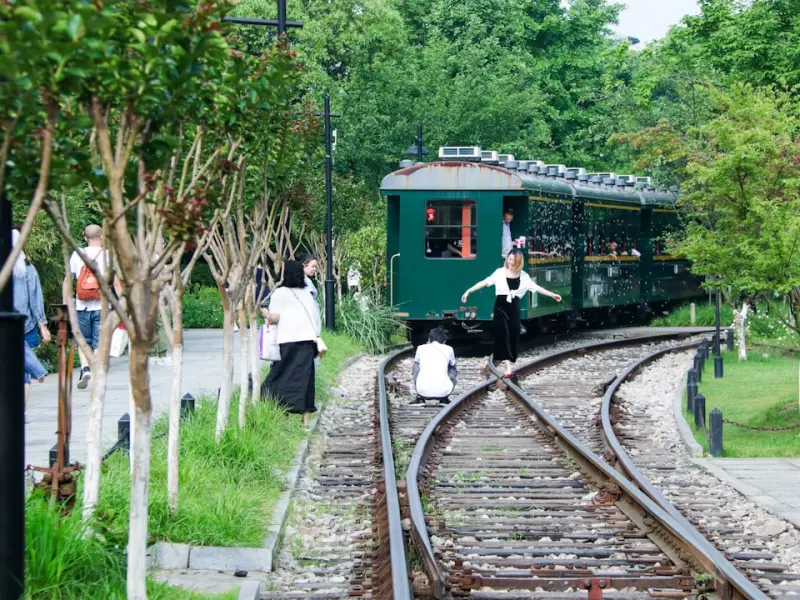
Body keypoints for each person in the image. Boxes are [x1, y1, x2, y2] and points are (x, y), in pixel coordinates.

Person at [461, 249, 562, 377]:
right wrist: (469, 291)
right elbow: (484, 282)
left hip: (514, 306)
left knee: (514, 331)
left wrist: (553, 295)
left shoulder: (524, 276)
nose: (510, 263)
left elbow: (536, 288)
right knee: (504, 334)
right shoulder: (499, 273)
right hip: (500, 306)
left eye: (513, 261)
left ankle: (509, 360)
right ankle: (507, 367)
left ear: (519, 262)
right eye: (508, 260)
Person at [260, 260, 321, 426]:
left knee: (281, 376)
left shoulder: (280, 293)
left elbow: (275, 317)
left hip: (288, 340)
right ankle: (305, 420)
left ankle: (282, 416)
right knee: (305, 379)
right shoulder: (306, 293)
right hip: (308, 341)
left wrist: (265, 313)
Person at [64, 224, 107, 390]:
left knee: (83, 341)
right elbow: (116, 282)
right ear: (102, 237)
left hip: (81, 306)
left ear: (85, 238)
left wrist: (66, 304)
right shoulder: (107, 255)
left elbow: (68, 280)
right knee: (99, 343)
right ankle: (96, 371)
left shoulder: (77, 254)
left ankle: (85, 367)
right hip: (101, 306)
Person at [12, 229, 49, 406]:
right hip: (24, 323)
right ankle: (21, 409)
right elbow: (35, 298)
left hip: (5, 323)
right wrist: (42, 324)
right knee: (22, 370)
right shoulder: (27, 268)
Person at [412, 327, 457, 405]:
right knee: (452, 366)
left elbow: (416, 366)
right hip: (444, 392)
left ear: (429, 339)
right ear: (444, 341)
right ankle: (445, 399)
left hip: (422, 391)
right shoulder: (449, 349)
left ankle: (420, 397)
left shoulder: (420, 348)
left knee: (417, 364)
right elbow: (453, 365)